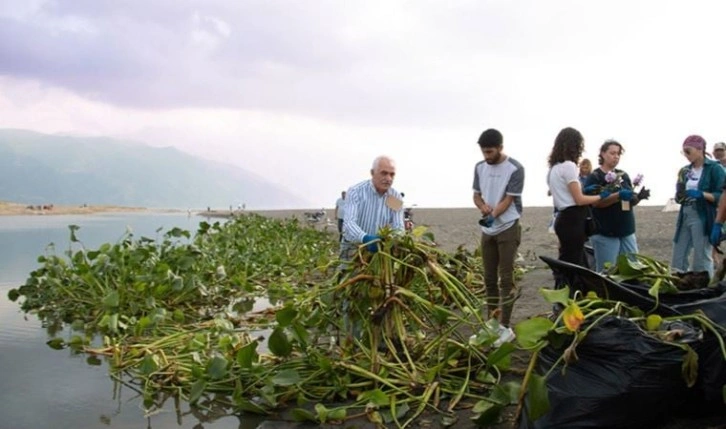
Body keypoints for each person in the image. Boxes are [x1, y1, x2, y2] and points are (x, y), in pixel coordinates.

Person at [472, 129, 524, 344]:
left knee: (506, 278)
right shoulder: (479, 167)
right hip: (488, 230)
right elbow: (476, 195)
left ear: (500, 148)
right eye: (484, 152)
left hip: (507, 227)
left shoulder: (515, 168)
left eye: (490, 152)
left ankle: (505, 327)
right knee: (489, 278)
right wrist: (482, 206)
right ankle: (492, 323)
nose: (487, 156)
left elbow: (509, 200)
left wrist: (492, 215)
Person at [546, 127, 616, 272]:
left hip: (562, 218)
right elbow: (579, 200)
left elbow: (563, 193)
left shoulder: (554, 168)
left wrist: (584, 190)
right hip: (573, 219)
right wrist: (601, 196)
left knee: (567, 259)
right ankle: (571, 291)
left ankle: (563, 288)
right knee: (574, 264)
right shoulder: (569, 166)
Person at [672, 135, 725, 280]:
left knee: (701, 256)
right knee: (679, 253)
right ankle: (678, 283)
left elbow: (722, 196)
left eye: (689, 151)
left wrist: (702, 194)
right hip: (685, 213)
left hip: (702, 213)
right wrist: (680, 194)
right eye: (684, 153)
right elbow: (678, 196)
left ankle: (703, 287)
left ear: (700, 149)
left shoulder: (714, 169)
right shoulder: (684, 171)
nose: (686, 156)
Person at [583, 140, 640, 272]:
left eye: (618, 154)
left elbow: (629, 200)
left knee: (633, 269)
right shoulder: (595, 177)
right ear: (603, 154)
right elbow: (595, 203)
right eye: (612, 153)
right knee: (607, 271)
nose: (616, 156)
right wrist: (617, 196)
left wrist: (637, 197)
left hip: (626, 230)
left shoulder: (623, 175)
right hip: (605, 231)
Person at [341, 156, 404, 261]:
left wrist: (392, 240)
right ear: (372, 173)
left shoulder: (395, 197)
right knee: (346, 275)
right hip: (354, 250)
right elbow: (349, 223)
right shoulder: (356, 192)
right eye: (384, 173)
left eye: (392, 174)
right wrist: (365, 238)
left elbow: (399, 227)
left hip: (381, 253)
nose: (388, 178)